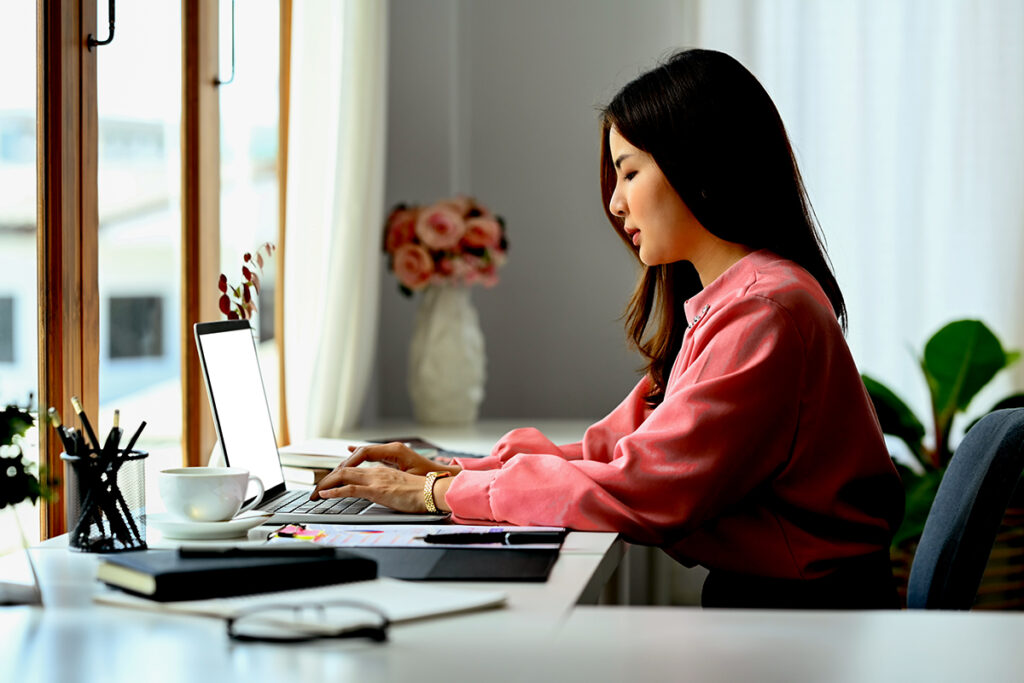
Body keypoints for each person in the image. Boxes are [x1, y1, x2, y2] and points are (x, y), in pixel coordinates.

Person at [311, 49, 904, 609]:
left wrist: (433, 497)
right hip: (788, 603)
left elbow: (641, 486)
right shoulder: (739, 301)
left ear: (696, 165)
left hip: (807, 618)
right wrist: (451, 472)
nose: (616, 205)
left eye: (629, 173)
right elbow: (615, 451)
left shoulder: (765, 312)